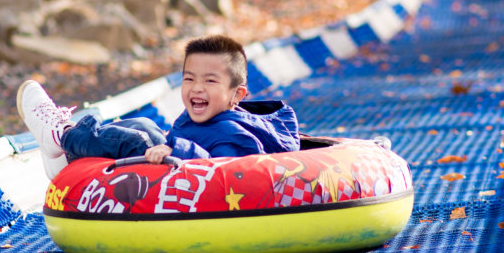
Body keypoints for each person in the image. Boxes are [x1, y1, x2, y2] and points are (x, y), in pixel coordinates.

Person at [17, 34, 300, 179]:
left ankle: (62, 135)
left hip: (191, 192)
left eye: (210, 81)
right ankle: (68, 158)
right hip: (173, 170)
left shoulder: (237, 135)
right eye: (189, 78)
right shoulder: (207, 118)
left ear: (236, 95)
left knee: (140, 138)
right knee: (143, 126)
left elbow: (225, 172)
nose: (197, 88)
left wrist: (174, 149)